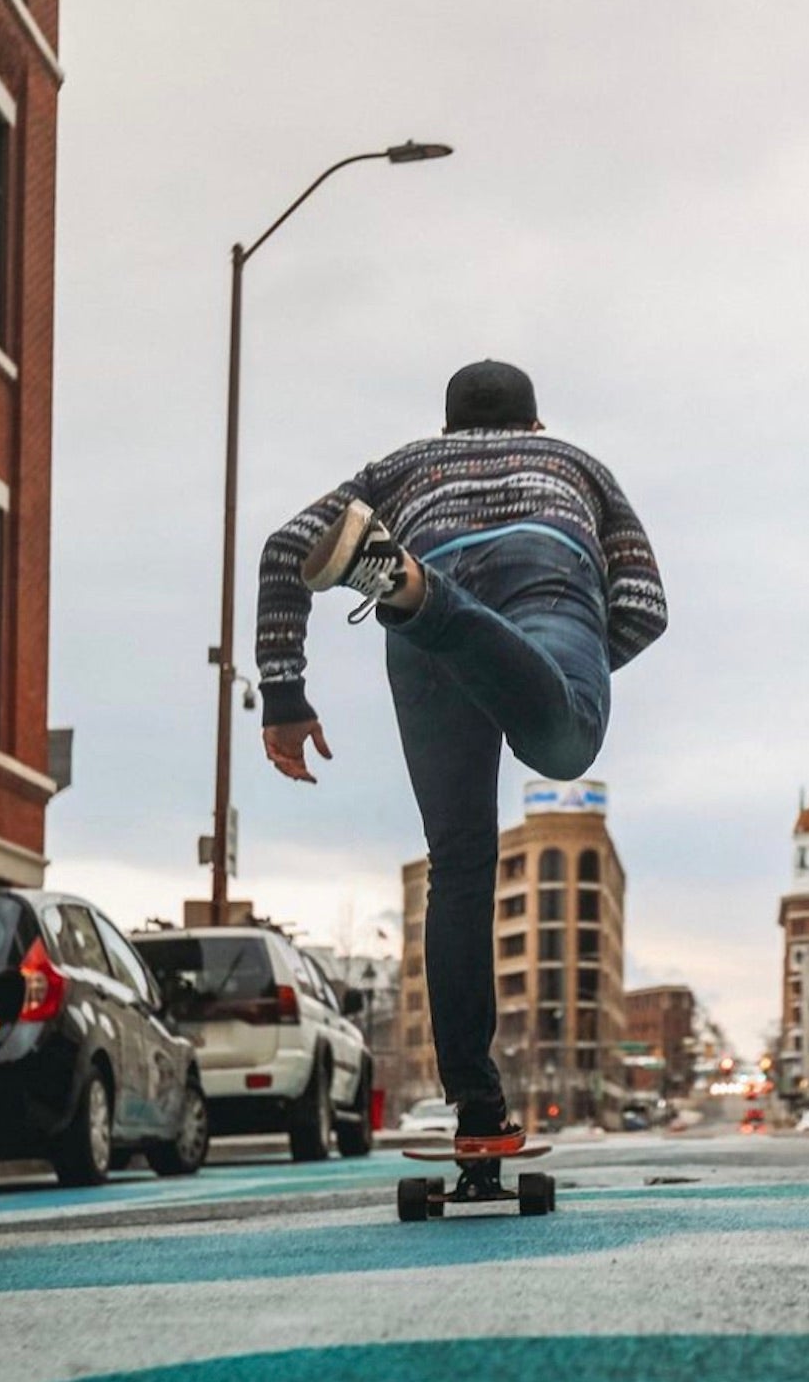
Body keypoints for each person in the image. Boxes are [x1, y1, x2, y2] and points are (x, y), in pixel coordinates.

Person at [255, 359, 667, 1173]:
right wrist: (544, 685)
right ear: (535, 426)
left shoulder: (400, 467)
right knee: (564, 743)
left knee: (459, 864)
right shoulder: (577, 465)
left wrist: (284, 696)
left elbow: (284, 549)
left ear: (446, 430)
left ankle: (477, 1105)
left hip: (423, 608)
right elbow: (644, 606)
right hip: (545, 582)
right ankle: (431, 601)